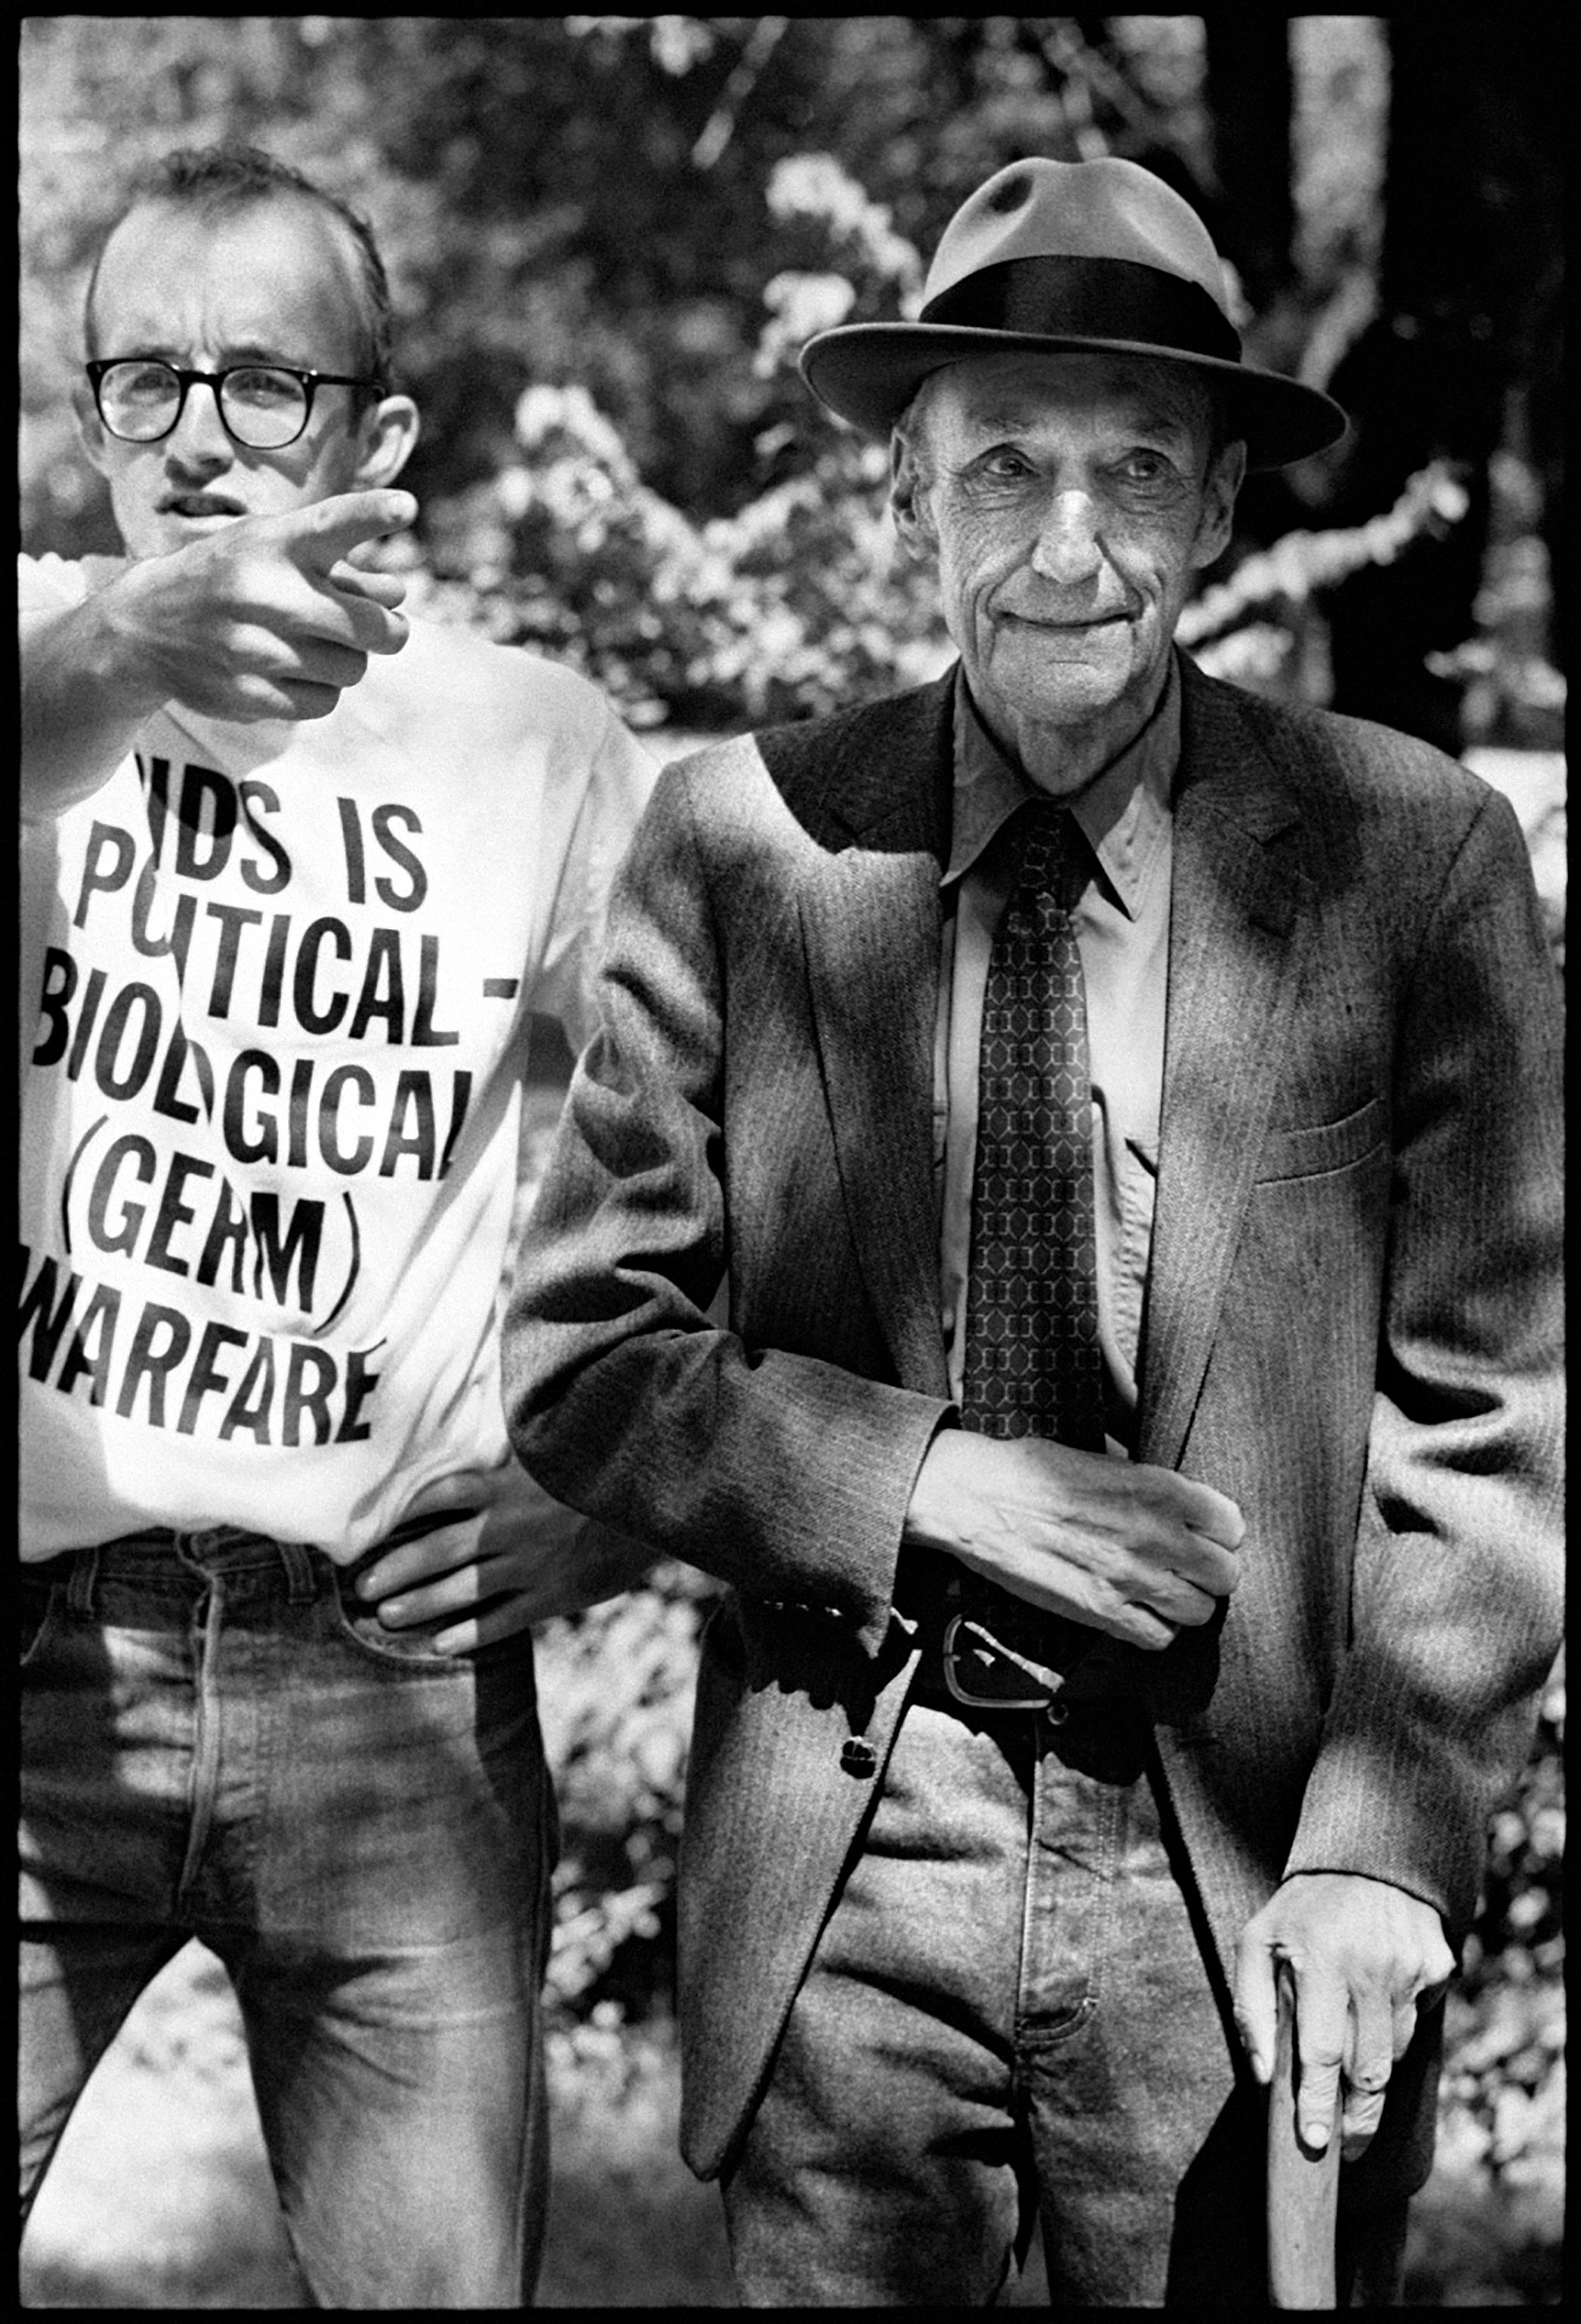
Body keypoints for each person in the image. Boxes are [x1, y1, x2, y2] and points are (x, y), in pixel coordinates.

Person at [503, 157, 1564, 2307]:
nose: (1065, 543)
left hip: (1240, 1878)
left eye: (1131, 472)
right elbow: (584, 1358)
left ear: (1215, 509)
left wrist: (1380, 1847)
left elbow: (1498, 1415)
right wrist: (942, 1485)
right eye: (1002, 468)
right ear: (907, 489)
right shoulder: (744, 841)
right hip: (849, 1859)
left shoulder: (1405, 855)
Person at [19, 143, 657, 2307]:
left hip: (387, 1688)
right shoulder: (30, 650)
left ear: (379, 435)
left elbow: (749, 1151)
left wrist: (608, 1490)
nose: (194, 435)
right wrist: (115, 650)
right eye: (142, 380)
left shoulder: (536, 747)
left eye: (261, 383)